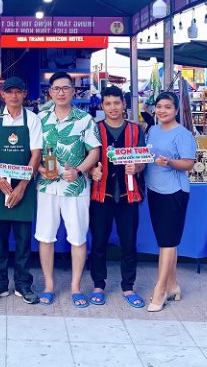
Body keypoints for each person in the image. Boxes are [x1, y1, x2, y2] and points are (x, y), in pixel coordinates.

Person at [35, 72, 101, 308]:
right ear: (50, 92)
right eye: (56, 88)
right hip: (46, 187)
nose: (61, 93)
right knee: (45, 236)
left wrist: (80, 171)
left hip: (75, 188)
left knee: (78, 237)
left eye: (65, 88)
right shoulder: (40, 119)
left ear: (73, 91)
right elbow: (33, 151)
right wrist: (40, 169)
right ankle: (49, 285)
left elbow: (94, 151)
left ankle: (75, 287)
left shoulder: (85, 119)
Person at [0, 77, 43, 305]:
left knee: (23, 240)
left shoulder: (33, 119)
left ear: (25, 94)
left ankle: (23, 284)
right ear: (3, 95)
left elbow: (36, 154)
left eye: (18, 91)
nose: (14, 96)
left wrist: (22, 186)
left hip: (24, 185)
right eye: (10, 92)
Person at [89, 86, 146, 309]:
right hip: (100, 195)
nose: (112, 107)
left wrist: (137, 167)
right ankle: (98, 285)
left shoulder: (136, 130)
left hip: (128, 195)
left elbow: (143, 159)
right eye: (108, 103)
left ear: (124, 104)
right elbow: (86, 157)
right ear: (102, 106)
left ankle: (128, 286)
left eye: (116, 103)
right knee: (98, 242)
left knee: (129, 243)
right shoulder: (95, 129)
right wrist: (92, 170)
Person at [144, 92, 196, 312]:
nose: (162, 110)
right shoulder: (152, 131)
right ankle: (173, 285)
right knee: (166, 241)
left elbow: (188, 164)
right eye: (159, 106)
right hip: (153, 189)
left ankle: (160, 290)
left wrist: (169, 162)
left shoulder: (183, 134)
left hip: (174, 192)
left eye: (167, 107)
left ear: (176, 110)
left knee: (167, 241)